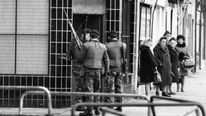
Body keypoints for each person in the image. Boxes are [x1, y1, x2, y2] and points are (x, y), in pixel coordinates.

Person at [59, 28, 91, 110]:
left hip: (77, 67)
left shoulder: (73, 41)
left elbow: (69, 55)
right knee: (87, 86)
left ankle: (80, 104)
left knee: (79, 86)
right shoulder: (89, 43)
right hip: (87, 67)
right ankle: (88, 105)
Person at [80, 29, 109, 116]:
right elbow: (106, 60)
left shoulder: (86, 45)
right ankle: (97, 110)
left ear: (90, 36)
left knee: (89, 91)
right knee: (97, 90)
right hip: (98, 71)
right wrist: (106, 70)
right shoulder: (103, 46)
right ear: (98, 37)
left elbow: (80, 57)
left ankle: (89, 111)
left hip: (88, 70)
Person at [105, 31, 126, 112]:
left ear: (110, 37)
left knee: (110, 87)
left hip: (111, 68)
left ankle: (110, 105)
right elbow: (124, 57)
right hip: (120, 68)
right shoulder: (122, 44)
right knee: (119, 87)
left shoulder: (107, 45)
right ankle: (119, 105)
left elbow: (106, 58)